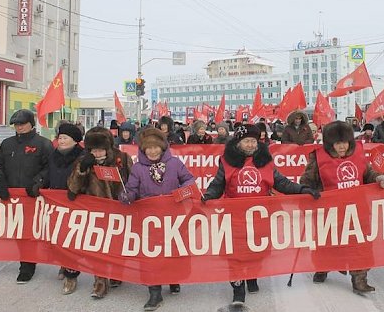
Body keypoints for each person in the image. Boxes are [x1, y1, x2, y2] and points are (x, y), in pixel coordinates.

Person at [201, 124, 320, 306]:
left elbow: (282, 183)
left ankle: (252, 275)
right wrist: (209, 195)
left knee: (258, 251)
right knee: (236, 253)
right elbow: (218, 184)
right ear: (238, 143)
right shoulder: (226, 161)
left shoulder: (266, 161)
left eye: (253, 141)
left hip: (260, 216)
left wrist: (302, 190)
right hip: (236, 216)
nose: (250, 145)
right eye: (246, 141)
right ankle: (238, 288)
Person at [300, 121, 384, 292]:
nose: (342, 147)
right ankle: (322, 267)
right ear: (330, 144)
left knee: (360, 243)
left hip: (356, 209)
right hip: (329, 211)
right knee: (326, 242)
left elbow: (367, 172)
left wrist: (378, 177)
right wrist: (308, 191)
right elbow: (306, 180)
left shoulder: (357, 154)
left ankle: (359, 279)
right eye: (338, 143)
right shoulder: (318, 157)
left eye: (345, 142)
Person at [119, 128, 195, 310]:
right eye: (148, 148)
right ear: (143, 150)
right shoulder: (138, 168)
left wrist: (180, 193)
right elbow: (132, 189)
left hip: (172, 217)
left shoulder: (175, 164)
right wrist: (127, 195)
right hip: (149, 219)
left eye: (156, 147)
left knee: (173, 250)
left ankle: (173, 278)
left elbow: (189, 181)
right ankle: (155, 292)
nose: (152, 151)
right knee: (151, 254)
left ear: (162, 148)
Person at [67, 127, 133, 299]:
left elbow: (134, 181)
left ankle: (117, 274)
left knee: (118, 246)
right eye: (93, 149)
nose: (97, 153)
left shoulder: (122, 158)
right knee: (98, 248)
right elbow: (73, 188)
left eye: (100, 149)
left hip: (119, 211)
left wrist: (129, 194)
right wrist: (82, 169)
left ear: (108, 147)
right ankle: (100, 282)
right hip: (95, 213)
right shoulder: (85, 161)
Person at [0, 109, 53, 284]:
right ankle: (25, 261)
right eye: (16, 124)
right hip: (11, 197)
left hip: (33, 196)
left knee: (30, 231)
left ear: (31, 124)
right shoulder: (7, 144)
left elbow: (49, 167)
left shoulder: (44, 144)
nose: (19, 127)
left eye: (22, 124)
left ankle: (28, 265)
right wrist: (0, 183)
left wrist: (38, 182)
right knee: (18, 231)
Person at [26, 123, 83, 294]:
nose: (61, 141)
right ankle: (64, 265)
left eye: (65, 138)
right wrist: (39, 183)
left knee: (71, 240)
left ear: (75, 141)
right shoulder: (54, 155)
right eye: (60, 138)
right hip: (57, 203)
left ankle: (71, 277)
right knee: (59, 237)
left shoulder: (82, 156)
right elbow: (48, 174)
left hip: (77, 203)